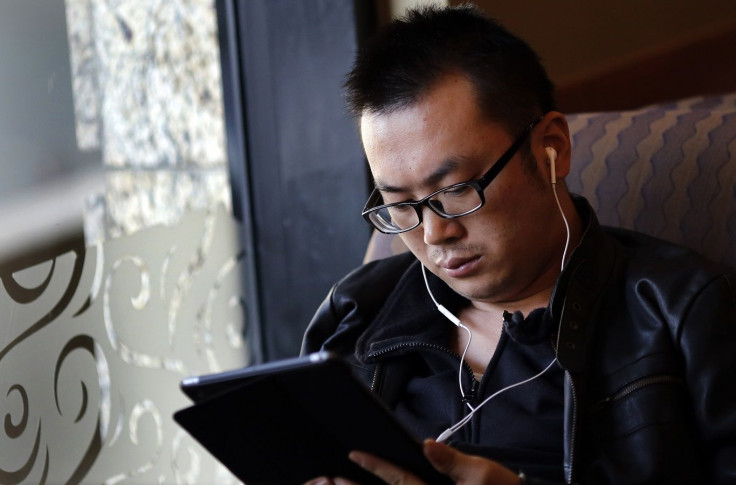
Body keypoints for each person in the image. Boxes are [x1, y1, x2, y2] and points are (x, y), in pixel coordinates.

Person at [301, 4, 736, 484]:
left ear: (552, 147)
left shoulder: (686, 314)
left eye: (456, 190)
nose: (432, 234)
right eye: (400, 204)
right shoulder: (355, 314)